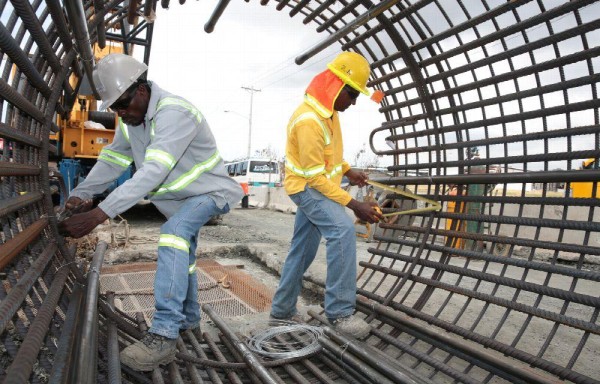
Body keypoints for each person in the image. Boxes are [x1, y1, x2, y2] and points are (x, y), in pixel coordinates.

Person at [58, 53, 243, 371]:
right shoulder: (131, 121)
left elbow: (153, 171)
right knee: (182, 258)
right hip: (179, 202)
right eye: (114, 108)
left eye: (124, 104)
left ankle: (164, 336)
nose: (120, 113)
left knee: (173, 234)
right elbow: (113, 159)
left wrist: (99, 214)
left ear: (141, 89)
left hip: (209, 194)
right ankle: (189, 321)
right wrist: (80, 195)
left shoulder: (173, 113)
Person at [269, 51, 383, 338]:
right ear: (336, 86)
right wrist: (355, 204)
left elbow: (328, 156)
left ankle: (281, 312)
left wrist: (348, 171)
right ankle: (340, 314)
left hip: (314, 184)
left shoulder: (327, 111)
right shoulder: (309, 120)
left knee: (302, 250)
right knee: (342, 231)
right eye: (353, 94)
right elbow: (315, 177)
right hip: (307, 189)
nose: (355, 101)